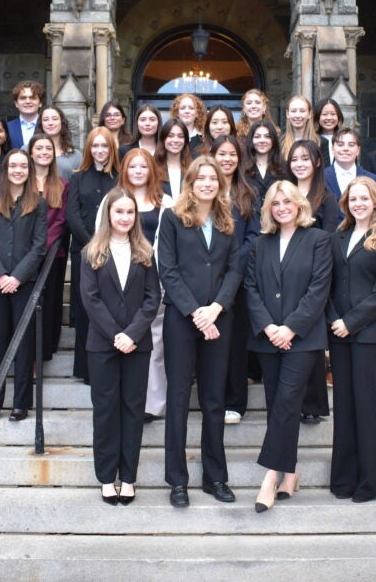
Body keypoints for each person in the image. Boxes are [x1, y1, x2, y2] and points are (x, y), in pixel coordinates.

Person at [157, 157, 243, 508]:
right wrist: (195, 312)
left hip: (219, 319)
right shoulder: (173, 218)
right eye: (200, 178)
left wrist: (216, 309)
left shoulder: (228, 221)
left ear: (220, 184)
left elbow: (236, 269)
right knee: (178, 398)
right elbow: (168, 270)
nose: (207, 183)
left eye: (213, 178)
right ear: (190, 183)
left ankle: (215, 477)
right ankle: (177, 481)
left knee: (213, 400)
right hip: (182, 318)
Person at [245, 180, 333, 512]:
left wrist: (290, 328)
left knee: (286, 401)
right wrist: (269, 327)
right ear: (268, 209)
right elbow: (250, 288)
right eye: (275, 203)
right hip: (268, 338)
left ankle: (270, 477)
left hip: (303, 339)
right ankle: (291, 472)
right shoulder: (259, 244)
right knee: (276, 404)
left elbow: (318, 289)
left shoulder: (318, 240)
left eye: (287, 201)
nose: (281, 207)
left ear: (299, 205)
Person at [80, 188, 161, 505]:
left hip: (137, 346)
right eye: (119, 212)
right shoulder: (92, 252)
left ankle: (128, 477)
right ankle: (106, 477)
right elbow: (91, 299)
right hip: (103, 346)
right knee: (105, 412)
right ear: (108, 215)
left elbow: (153, 298)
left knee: (131, 411)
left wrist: (133, 334)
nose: (125, 217)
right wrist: (117, 334)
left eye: (130, 212)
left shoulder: (145, 251)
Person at [328, 177, 376, 501]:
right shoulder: (337, 236)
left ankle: (369, 483)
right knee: (343, 406)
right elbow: (326, 283)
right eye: (353, 198)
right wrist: (334, 320)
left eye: (364, 198)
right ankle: (342, 480)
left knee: (365, 406)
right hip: (338, 332)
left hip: (368, 333)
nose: (358, 203)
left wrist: (351, 322)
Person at [0, 149, 47, 422]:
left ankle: (21, 403)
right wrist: (0, 276)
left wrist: (17, 276)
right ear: (4, 171)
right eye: (13, 166)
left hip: (24, 281)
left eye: (23, 166)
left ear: (29, 171)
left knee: (23, 344)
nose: (18, 170)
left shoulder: (38, 204)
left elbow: (39, 246)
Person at [106, 148, 174, 423]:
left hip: (153, 278)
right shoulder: (113, 199)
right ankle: (124, 400)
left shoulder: (166, 201)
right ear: (124, 170)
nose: (137, 171)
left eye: (143, 167)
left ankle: (153, 404)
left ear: (151, 171)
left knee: (155, 341)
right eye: (132, 166)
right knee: (122, 337)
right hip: (120, 279)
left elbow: (169, 241)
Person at [209, 135, 261, 425]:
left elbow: (253, 238)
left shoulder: (248, 192)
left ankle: (235, 401)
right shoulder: (204, 190)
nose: (227, 159)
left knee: (236, 344)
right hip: (209, 278)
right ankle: (212, 397)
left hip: (239, 279)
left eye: (232, 154)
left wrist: (233, 265)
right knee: (212, 341)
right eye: (222, 154)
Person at [66, 127, 119, 383]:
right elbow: (72, 214)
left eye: (105, 146)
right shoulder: (78, 177)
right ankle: (85, 368)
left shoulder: (120, 177)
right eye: (95, 146)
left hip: (115, 252)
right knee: (87, 307)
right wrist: (93, 244)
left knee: (110, 307)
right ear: (89, 149)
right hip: (85, 253)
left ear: (112, 149)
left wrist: (108, 245)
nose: (100, 151)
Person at [29, 134, 69, 365]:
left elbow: (61, 221)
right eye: (39, 148)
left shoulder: (62, 185)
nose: (44, 152)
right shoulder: (23, 181)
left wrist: (41, 247)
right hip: (24, 256)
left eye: (48, 148)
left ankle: (42, 354)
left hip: (52, 255)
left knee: (49, 304)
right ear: (31, 152)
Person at [324, 127, 376, 200]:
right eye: (340, 145)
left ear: (358, 150)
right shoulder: (320, 178)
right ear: (332, 149)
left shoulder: (373, 179)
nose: (345, 149)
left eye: (351, 145)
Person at [245, 119, 285, 200]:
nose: (262, 140)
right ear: (251, 140)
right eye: (257, 136)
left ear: (273, 140)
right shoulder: (241, 168)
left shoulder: (284, 168)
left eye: (267, 136)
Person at [39, 105, 82, 179]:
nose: (50, 123)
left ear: (62, 122)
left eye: (54, 119)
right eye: (46, 119)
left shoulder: (75, 155)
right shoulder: (28, 149)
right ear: (41, 124)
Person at [154, 118, 191, 200]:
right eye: (170, 136)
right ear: (163, 139)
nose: (176, 140)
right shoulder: (152, 168)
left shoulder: (193, 169)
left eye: (180, 136)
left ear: (185, 141)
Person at [280, 95, 319, 161]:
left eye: (302, 111)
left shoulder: (320, 142)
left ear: (309, 114)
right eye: (293, 111)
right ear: (287, 114)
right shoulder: (280, 143)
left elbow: (324, 170)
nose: (297, 115)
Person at [7, 81, 44, 149]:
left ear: (40, 103)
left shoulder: (47, 126)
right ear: (16, 103)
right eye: (23, 98)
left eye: (32, 98)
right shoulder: (7, 128)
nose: (28, 101)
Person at [313, 98, 343, 165]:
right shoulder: (312, 139)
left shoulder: (345, 139)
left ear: (338, 117)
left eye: (333, 114)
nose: (329, 118)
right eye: (324, 114)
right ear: (317, 117)